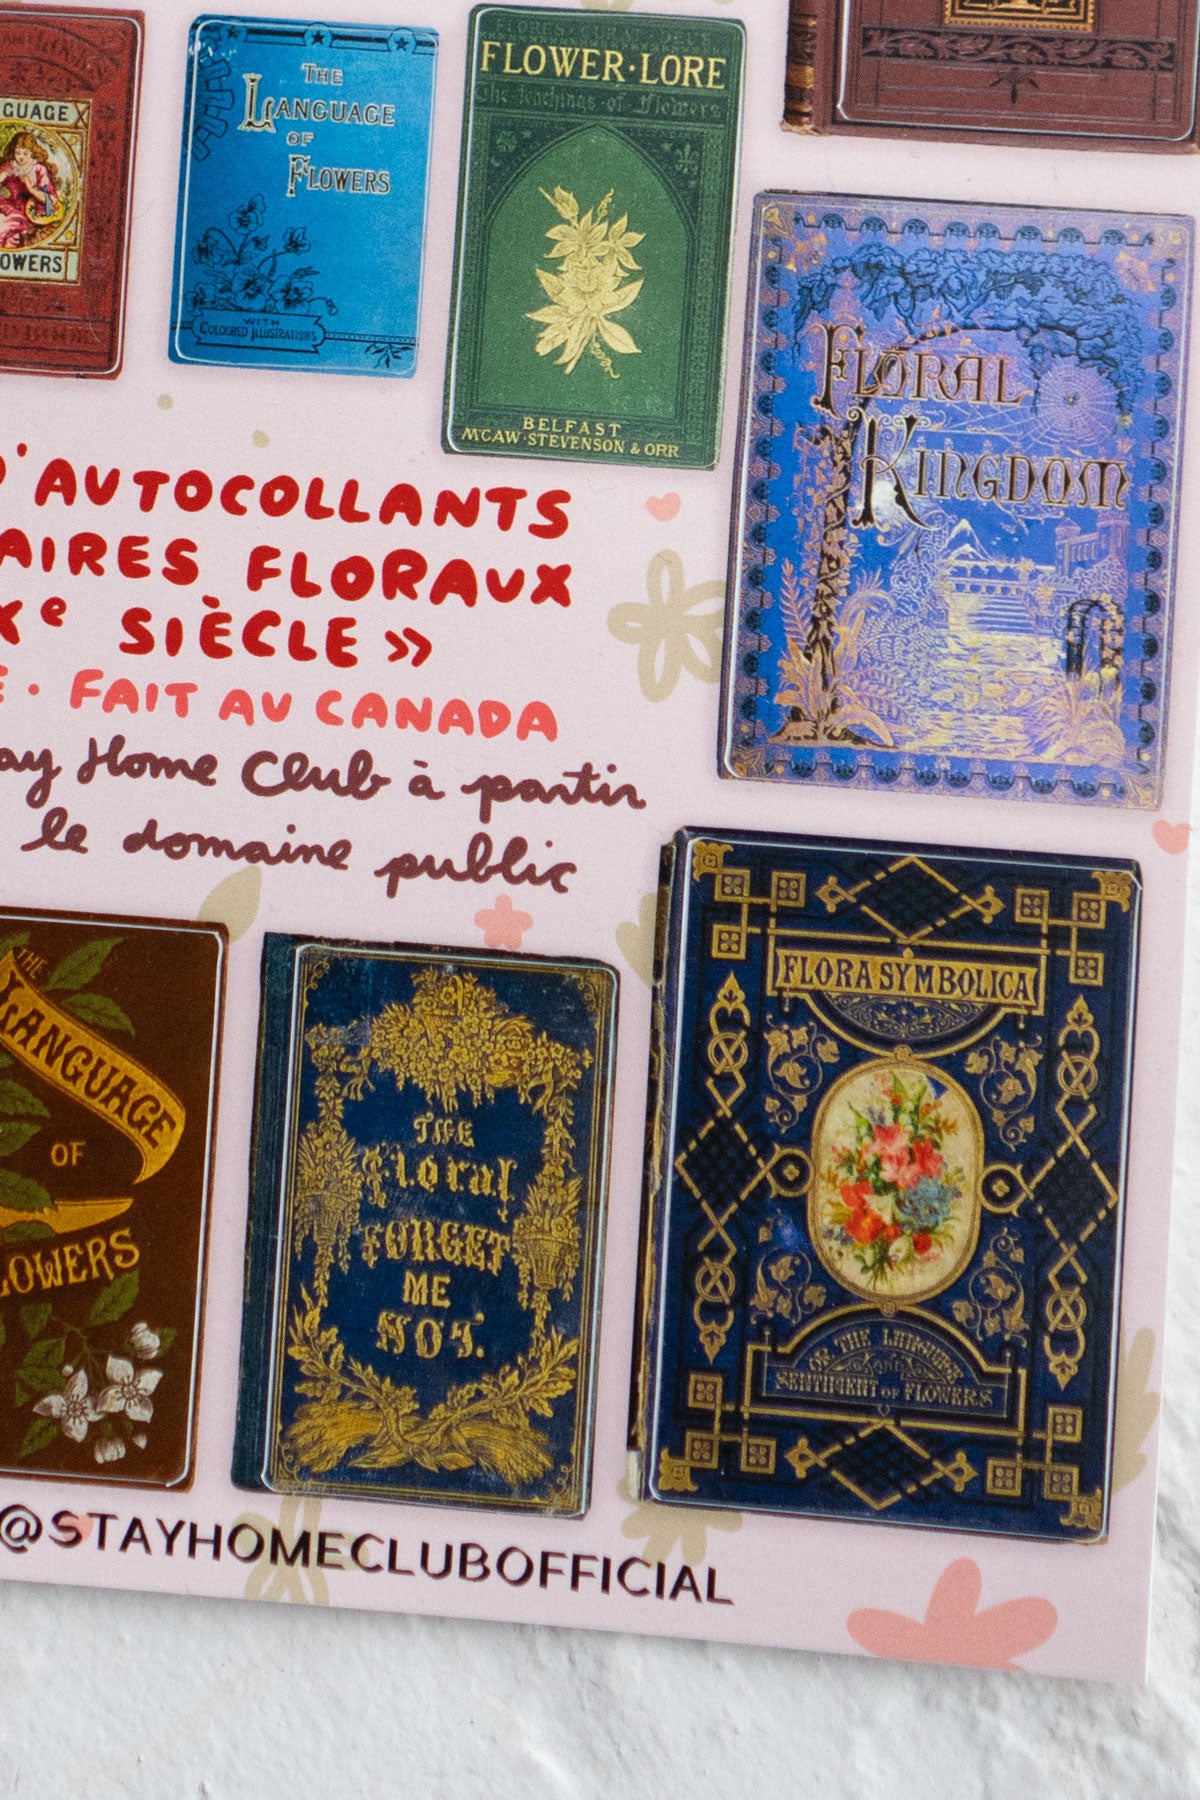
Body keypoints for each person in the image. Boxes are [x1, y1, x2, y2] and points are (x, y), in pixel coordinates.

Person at [0, 131, 62, 248]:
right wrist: (1, 178)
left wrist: (30, 188)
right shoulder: (8, 166)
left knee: (6, 229)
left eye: (25, 153)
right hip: (5, 206)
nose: (21, 157)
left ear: (32, 152)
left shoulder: (38, 169)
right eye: (17, 153)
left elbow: (52, 200)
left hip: (25, 211)